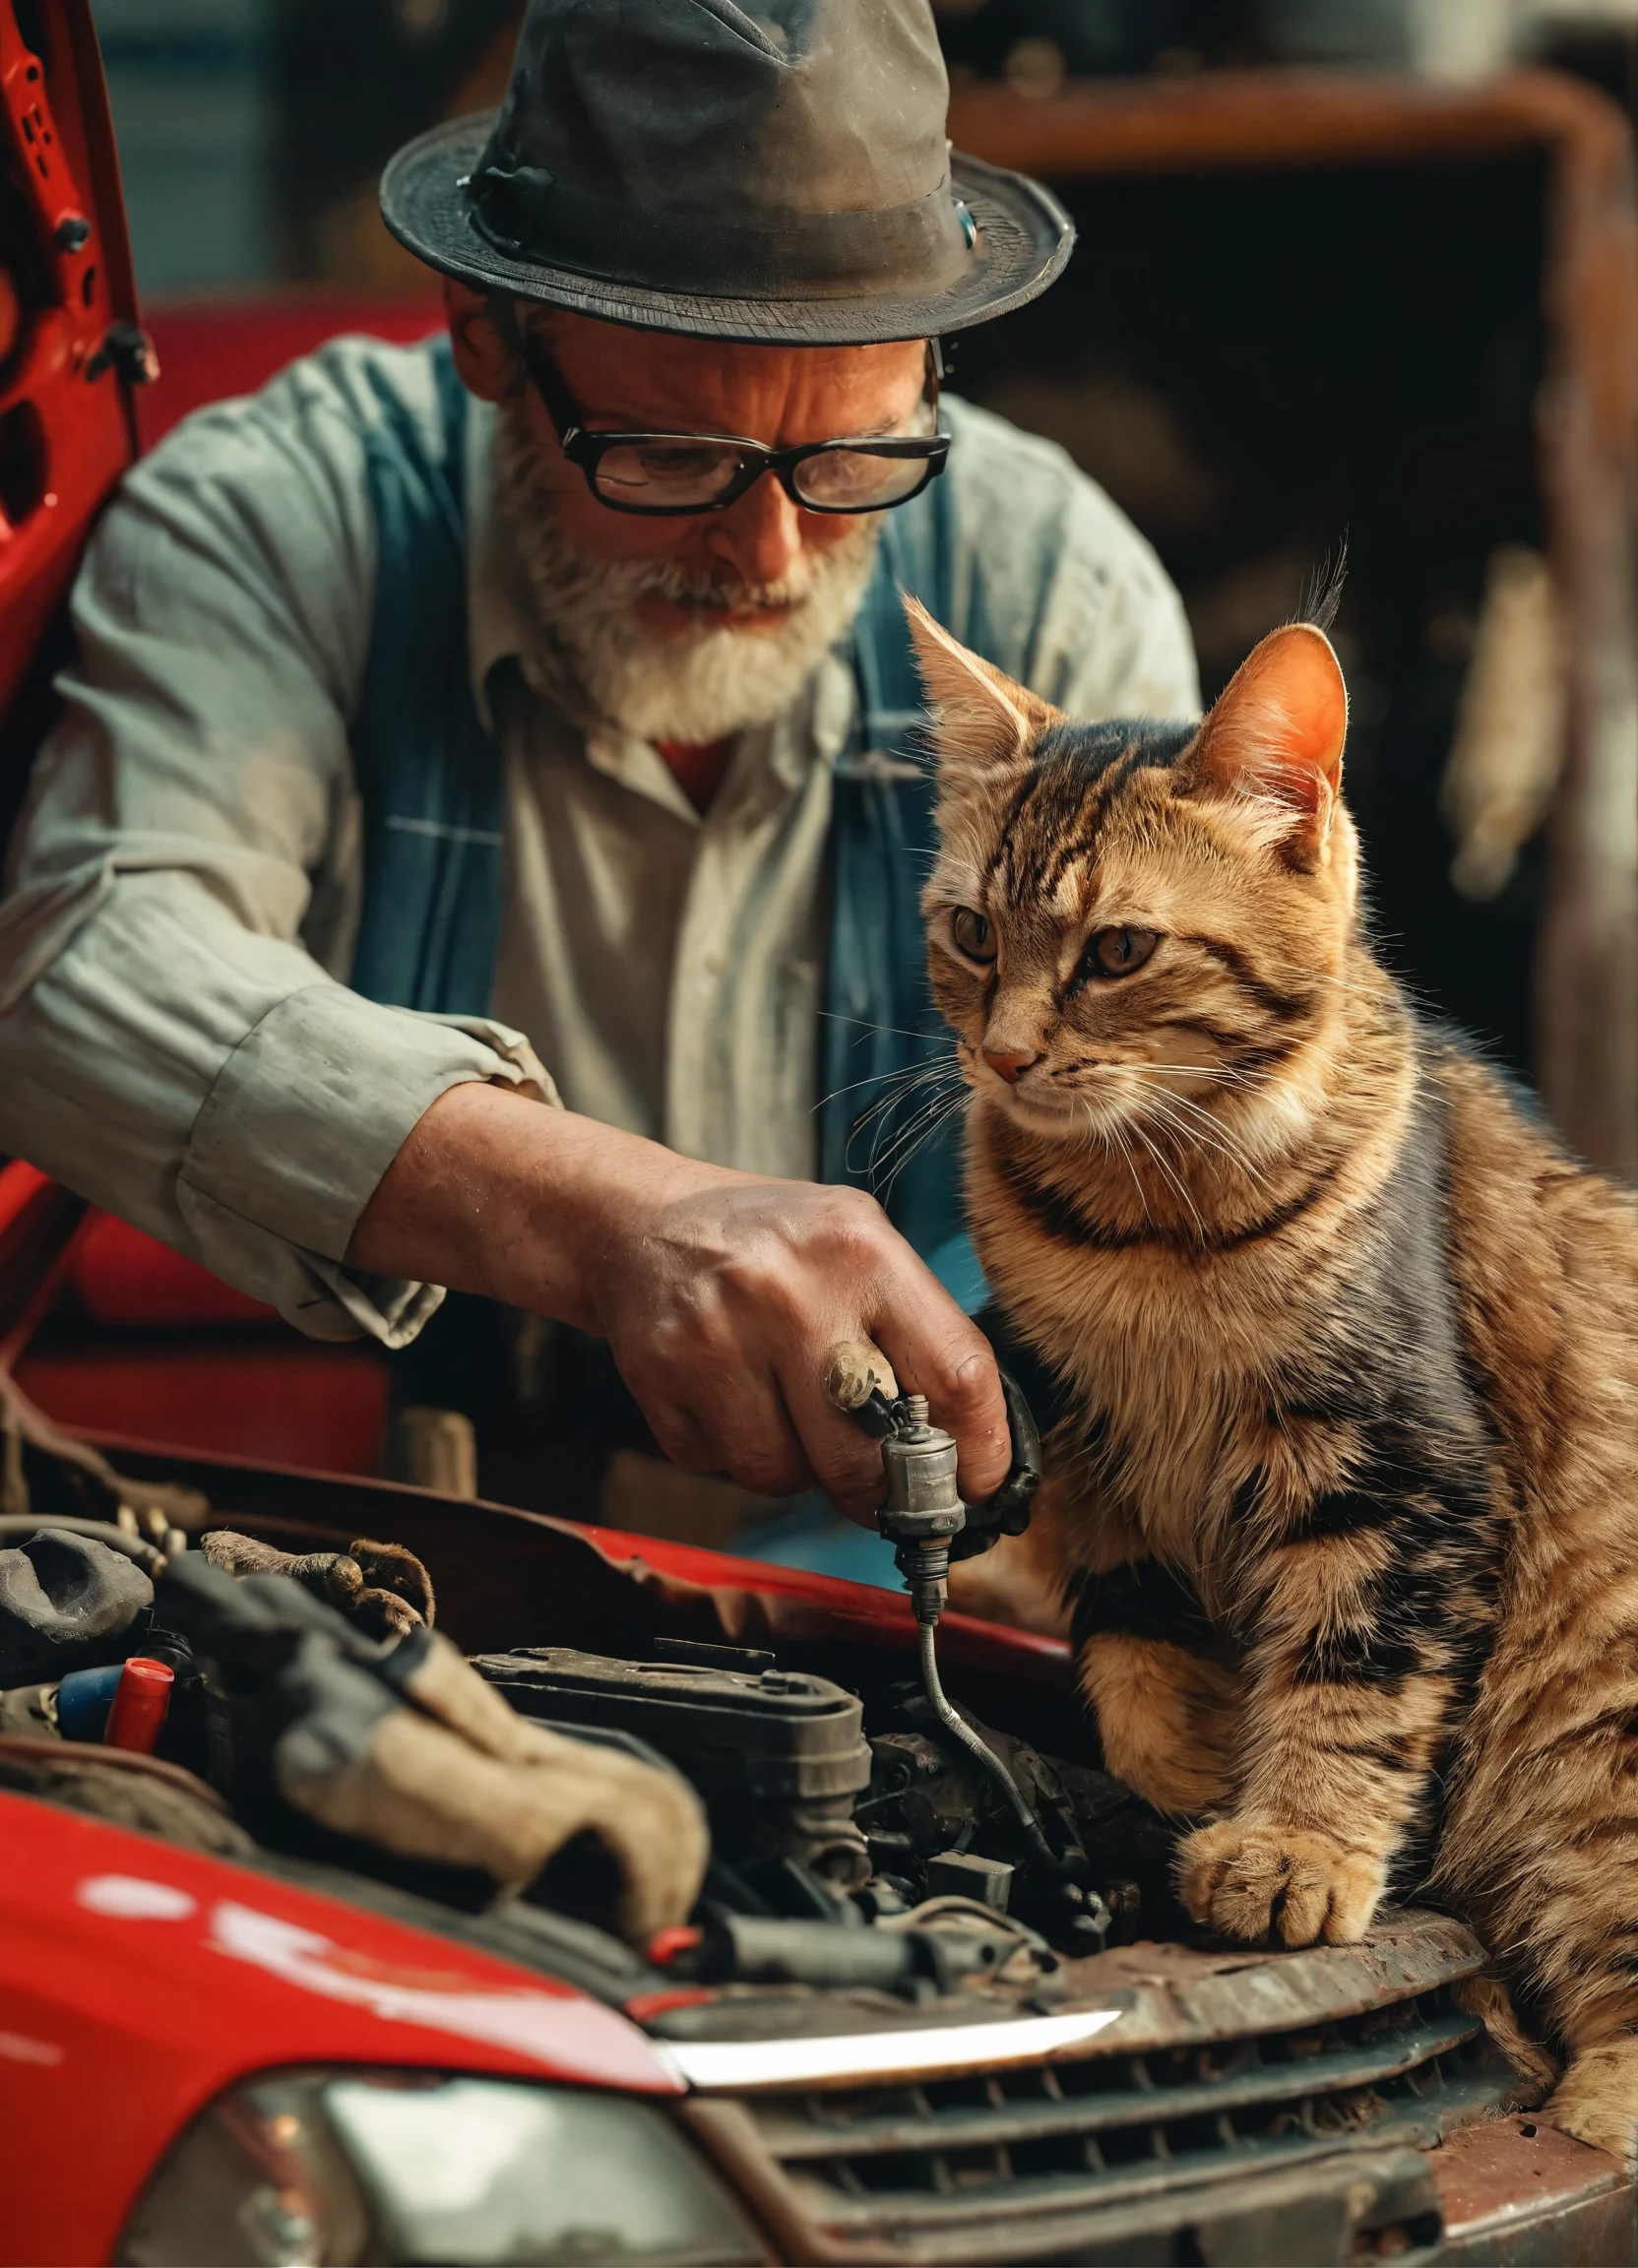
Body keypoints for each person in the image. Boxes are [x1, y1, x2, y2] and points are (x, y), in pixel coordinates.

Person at [0, 0, 1197, 1536]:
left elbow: (1175, 1164)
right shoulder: (284, 518)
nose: (768, 553)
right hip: (445, 1539)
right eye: (671, 457)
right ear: (487, 336)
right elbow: (78, 964)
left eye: (850, 460)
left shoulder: (1050, 593)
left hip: (948, 1570)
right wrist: (611, 1221)